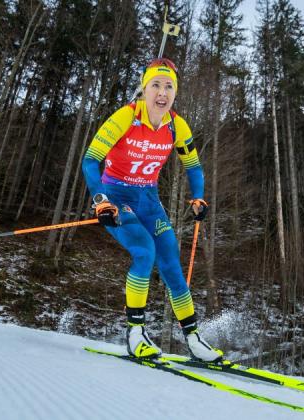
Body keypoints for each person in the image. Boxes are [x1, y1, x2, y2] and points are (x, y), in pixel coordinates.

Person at [81, 58, 222, 362]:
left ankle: (194, 339)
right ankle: (135, 334)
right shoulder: (125, 117)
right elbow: (90, 160)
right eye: (156, 85)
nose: (162, 92)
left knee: (170, 258)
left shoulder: (177, 126)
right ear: (145, 89)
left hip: (148, 200)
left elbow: (194, 166)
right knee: (144, 251)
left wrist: (199, 197)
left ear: (175, 93)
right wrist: (101, 200)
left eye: (169, 86)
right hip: (117, 197)